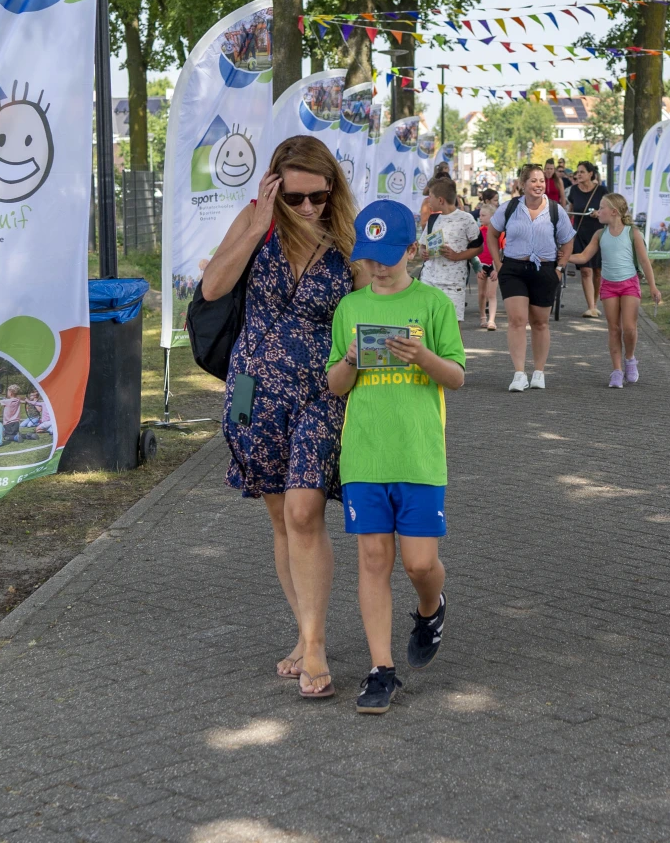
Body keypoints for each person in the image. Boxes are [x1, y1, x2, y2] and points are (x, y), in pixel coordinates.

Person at [198, 135, 366, 699]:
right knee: (279, 517)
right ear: (274, 186)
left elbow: (371, 310)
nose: (307, 210)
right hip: (253, 391)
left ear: (332, 188)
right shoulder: (257, 222)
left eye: (317, 196)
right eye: (294, 198)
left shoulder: (347, 239)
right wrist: (257, 223)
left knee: (303, 510)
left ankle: (315, 648)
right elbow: (214, 286)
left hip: (322, 391)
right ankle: (305, 629)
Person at [325, 200, 467, 714]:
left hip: (419, 454)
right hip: (364, 455)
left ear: (412, 249)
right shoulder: (350, 308)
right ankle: (380, 670)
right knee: (372, 559)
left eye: (388, 255)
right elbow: (336, 386)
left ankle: (431, 608)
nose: (378, 266)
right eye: (369, 256)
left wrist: (423, 357)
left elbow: (456, 375)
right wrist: (348, 360)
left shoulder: (432, 304)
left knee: (420, 563)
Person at [491, 163, 575, 391]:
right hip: (513, 269)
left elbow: (568, 239)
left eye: (541, 181)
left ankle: (539, 371)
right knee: (517, 320)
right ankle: (519, 373)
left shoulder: (556, 210)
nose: (539, 185)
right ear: (522, 184)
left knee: (540, 322)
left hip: (545, 270)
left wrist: (560, 267)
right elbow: (492, 233)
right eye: (533, 181)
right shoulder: (509, 208)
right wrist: (498, 265)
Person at [565, 193, 660, 387]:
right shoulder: (600, 234)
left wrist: (653, 286)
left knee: (629, 328)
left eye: (601, 207)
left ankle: (630, 359)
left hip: (629, 284)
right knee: (614, 328)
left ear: (614, 212)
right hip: (609, 285)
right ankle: (616, 370)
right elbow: (583, 257)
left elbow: (644, 261)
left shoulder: (632, 233)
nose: (598, 211)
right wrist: (562, 257)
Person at [419, 177, 480, 322]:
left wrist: (457, 256)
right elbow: (422, 245)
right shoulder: (433, 220)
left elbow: (478, 247)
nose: (428, 201)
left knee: (451, 325)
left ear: (440, 200)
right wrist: (423, 252)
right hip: (428, 280)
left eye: (431, 197)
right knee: (426, 323)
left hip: (453, 284)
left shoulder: (466, 219)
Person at [565, 162, 606, 318]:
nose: (578, 175)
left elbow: (608, 209)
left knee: (597, 271)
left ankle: (595, 303)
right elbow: (571, 211)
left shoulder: (601, 191)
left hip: (598, 232)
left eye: (582, 172)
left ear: (591, 174)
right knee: (585, 270)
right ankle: (590, 306)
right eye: (577, 172)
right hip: (580, 233)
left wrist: (599, 212)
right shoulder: (574, 190)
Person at [474, 188, 500, 331]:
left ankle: (491, 320)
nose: (480, 218)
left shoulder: (499, 233)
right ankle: (483, 316)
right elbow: (474, 249)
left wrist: (497, 268)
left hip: (493, 265)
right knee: (482, 293)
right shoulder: (479, 231)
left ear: (492, 216)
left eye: (483, 215)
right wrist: (477, 267)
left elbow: (502, 251)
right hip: (481, 264)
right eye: (480, 215)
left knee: (491, 293)